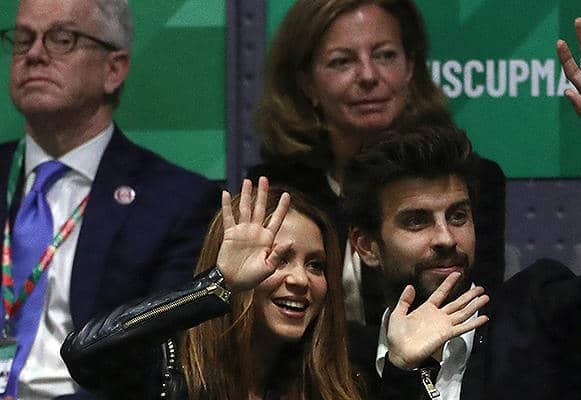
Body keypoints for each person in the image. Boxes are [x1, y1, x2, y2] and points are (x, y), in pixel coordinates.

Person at [343, 12, 581, 399]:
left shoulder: (538, 321)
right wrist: (401, 369)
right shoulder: (338, 365)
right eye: (416, 222)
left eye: (458, 215)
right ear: (367, 246)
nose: (446, 238)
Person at [0, 0, 217, 398]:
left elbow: (151, 364)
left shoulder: (177, 204)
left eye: (61, 39)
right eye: (23, 39)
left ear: (114, 68)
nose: (34, 54)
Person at [248, 0, 507, 325]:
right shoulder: (277, 189)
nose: (369, 76)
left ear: (410, 68)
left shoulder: (470, 180)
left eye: (385, 56)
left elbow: (476, 313)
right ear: (307, 83)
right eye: (342, 61)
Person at [61, 179, 362, 400]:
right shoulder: (167, 365)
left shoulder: (339, 382)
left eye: (315, 265)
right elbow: (83, 352)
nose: (300, 279)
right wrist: (218, 284)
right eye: (278, 258)